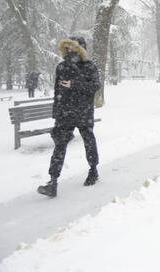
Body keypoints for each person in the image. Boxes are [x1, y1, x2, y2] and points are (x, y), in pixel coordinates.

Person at [38, 37, 101, 198]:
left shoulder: (89, 66)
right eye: (68, 48)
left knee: (88, 140)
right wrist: (56, 112)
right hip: (65, 112)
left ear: (81, 49)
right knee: (59, 145)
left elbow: (94, 87)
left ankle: (93, 170)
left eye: (74, 48)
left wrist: (74, 84)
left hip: (83, 111)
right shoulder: (61, 67)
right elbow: (57, 92)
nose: (70, 51)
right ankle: (53, 182)